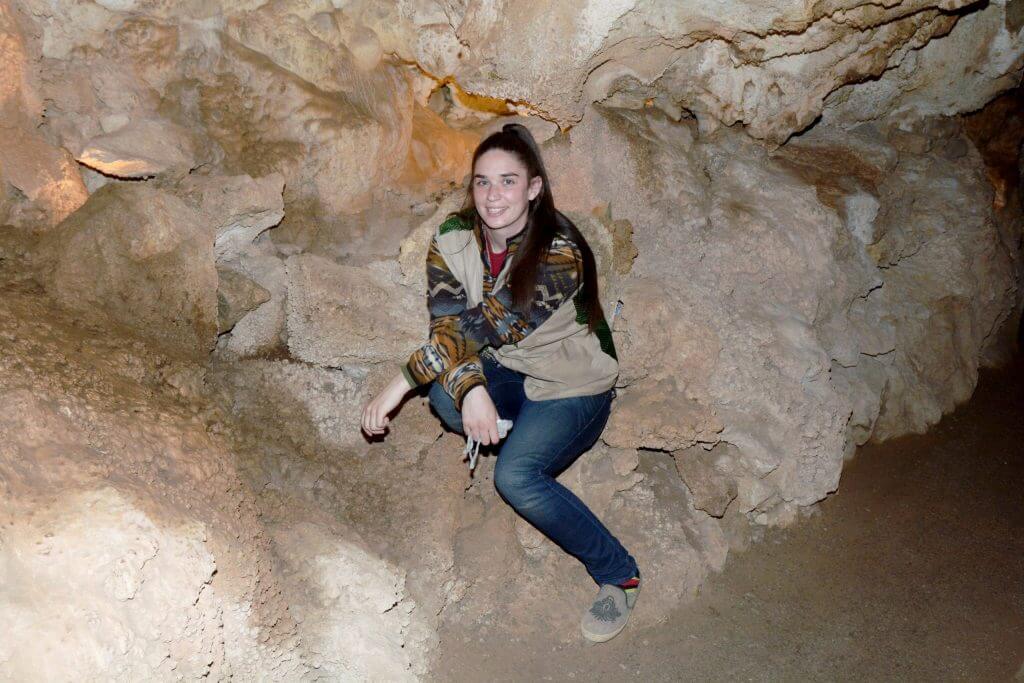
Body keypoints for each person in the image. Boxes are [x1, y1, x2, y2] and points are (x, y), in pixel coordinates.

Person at [360, 123, 640, 643]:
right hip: (507, 367)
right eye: (483, 182)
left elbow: (486, 324)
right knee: (446, 395)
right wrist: (474, 390)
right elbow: (447, 325)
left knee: (514, 479)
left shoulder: (560, 252)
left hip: (571, 380)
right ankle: (513, 430)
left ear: (534, 188)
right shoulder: (452, 238)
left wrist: (399, 383)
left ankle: (618, 573)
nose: (494, 196)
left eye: (508, 182)